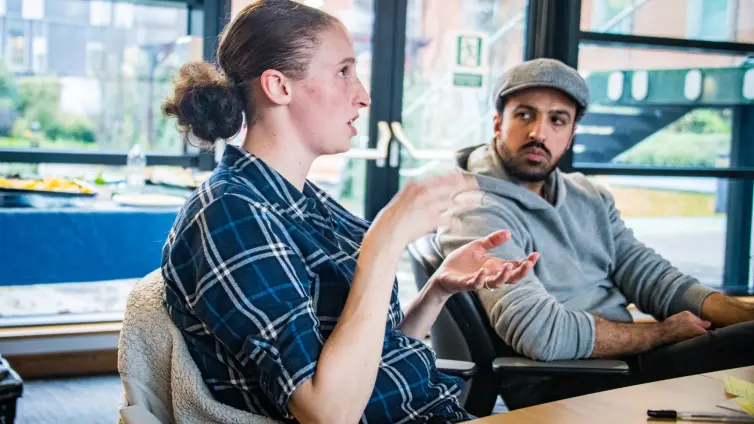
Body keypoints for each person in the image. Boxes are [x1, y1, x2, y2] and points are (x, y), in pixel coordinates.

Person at [159, 1, 537, 423]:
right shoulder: (229, 215)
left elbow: (369, 355)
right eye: (343, 72)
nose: (363, 95)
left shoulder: (303, 201)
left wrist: (437, 291)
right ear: (279, 87)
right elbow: (328, 411)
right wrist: (386, 241)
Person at [437, 58, 754, 409]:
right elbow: (540, 334)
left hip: (624, 362)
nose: (538, 134)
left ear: (571, 135)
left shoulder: (589, 196)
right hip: (570, 381)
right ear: (498, 124)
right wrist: (661, 334)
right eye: (525, 115)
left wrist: (739, 315)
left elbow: (655, 280)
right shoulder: (475, 209)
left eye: (557, 120)